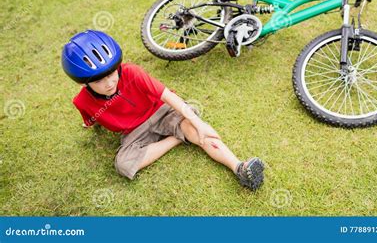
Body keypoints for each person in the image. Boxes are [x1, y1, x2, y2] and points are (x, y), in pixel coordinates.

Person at [62, 29, 264, 190]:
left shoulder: (132, 72)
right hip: (134, 132)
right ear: (84, 83)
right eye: (99, 80)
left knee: (197, 132)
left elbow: (167, 96)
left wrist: (198, 123)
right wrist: (90, 123)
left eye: (112, 73)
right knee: (123, 164)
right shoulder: (82, 101)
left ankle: (240, 167)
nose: (109, 82)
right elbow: (89, 119)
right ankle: (176, 139)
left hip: (162, 112)